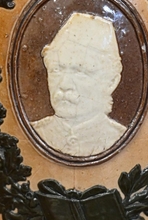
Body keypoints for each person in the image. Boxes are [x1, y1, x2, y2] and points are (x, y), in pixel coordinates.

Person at [31, 12, 126, 157]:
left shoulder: (124, 141)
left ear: (111, 82)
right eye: (56, 70)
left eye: (80, 72)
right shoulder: (32, 135)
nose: (64, 85)